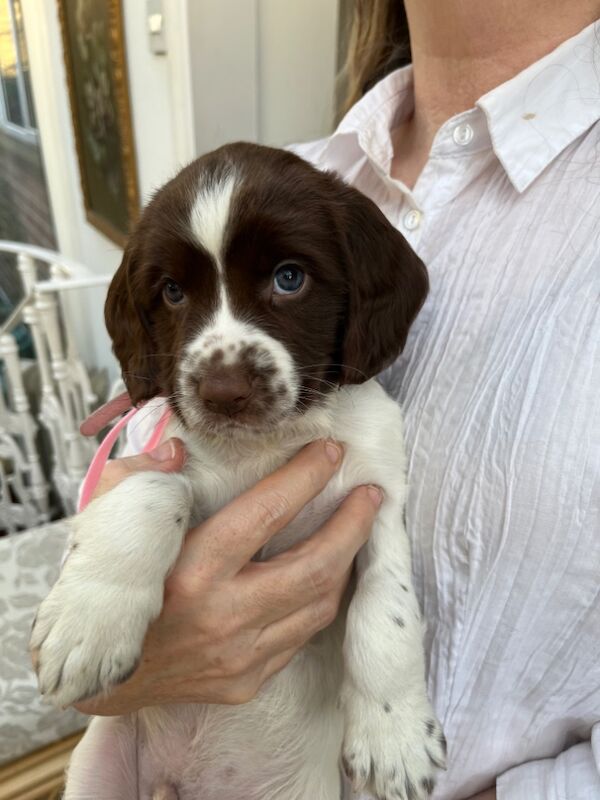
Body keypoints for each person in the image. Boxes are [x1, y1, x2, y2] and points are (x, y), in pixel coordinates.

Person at [76, 1, 600, 797]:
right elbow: (137, 471)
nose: (223, 366)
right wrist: (122, 638)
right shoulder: (294, 175)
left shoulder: (331, 238)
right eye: (181, 293)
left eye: (287, 280)